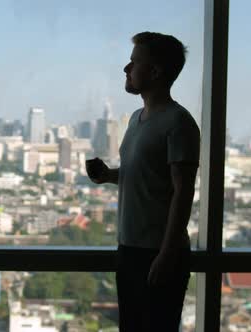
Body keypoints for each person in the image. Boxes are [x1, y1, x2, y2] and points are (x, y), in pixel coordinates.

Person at [86, 32, 200, 332]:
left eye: (135, 62)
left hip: (158, 252)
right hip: (130, 248)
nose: (127, 68)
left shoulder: (179, 123)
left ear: (154, 71)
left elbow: (183, 191)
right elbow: (147, 176)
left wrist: (167, 254)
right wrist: (110, 175)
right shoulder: (137, 118)